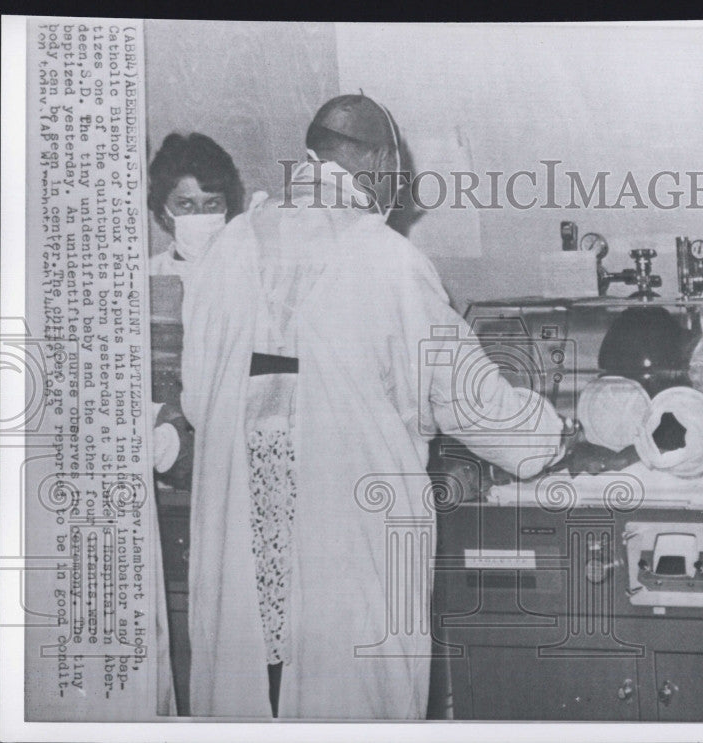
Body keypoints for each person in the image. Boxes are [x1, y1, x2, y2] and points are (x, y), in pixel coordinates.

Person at [179, 94, 595, 719]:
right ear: (376, 159)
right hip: (347, 548)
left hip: (240, 542)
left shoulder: (228, 249)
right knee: (348, 698)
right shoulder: (388, 260)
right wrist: (557, 436)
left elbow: (195, 395)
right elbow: (475, 404)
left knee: (249, 697)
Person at [147, 132, 246, 280]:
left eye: (212, 203)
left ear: (227, 207)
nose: (200, 214)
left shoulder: (246, 273)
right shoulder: (148, 274)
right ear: (163, 212)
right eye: (185, 204)